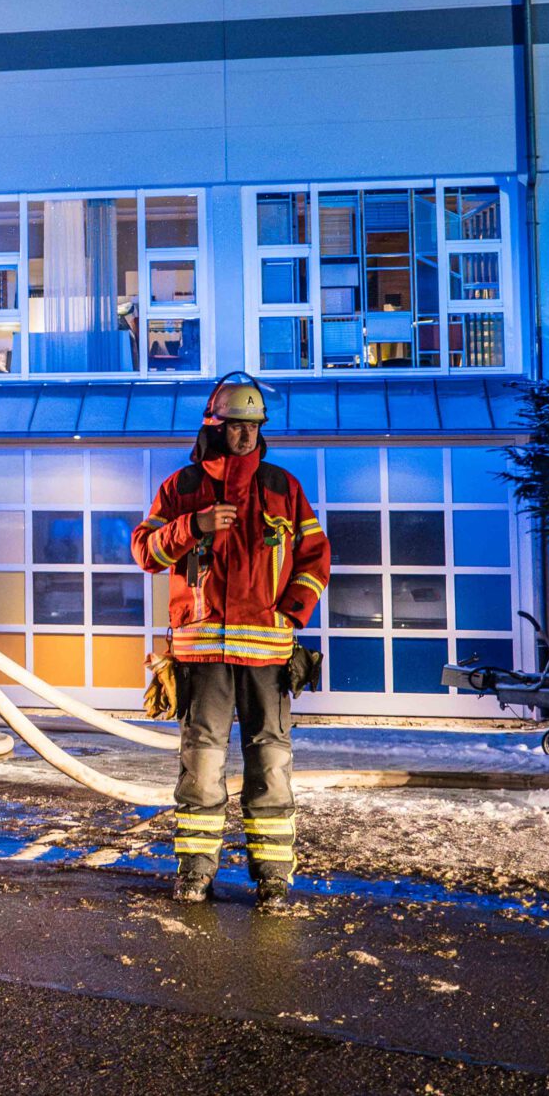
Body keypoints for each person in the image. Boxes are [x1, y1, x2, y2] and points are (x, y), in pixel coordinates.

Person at [131, 372, 329, 911]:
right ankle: (196, 872)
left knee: (270, 763)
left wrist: (291, 611)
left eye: (253, 426)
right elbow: (145, 552)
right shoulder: (181, 488)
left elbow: (315, 557)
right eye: (236, 426)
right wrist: (193, 525)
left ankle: (273, 878)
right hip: (201, 654)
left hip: (266, 652)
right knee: (201, 764)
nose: (245, 435)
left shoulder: (283, 487)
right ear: (214, 427)